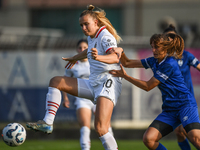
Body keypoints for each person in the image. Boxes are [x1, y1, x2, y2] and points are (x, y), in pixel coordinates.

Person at [27, 4, 122, 150]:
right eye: (81, 25)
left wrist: (99, 58)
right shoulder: (91, 36)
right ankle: (47, 123)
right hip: (93, 83)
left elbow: (115, 58)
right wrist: (74, 58)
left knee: (101, 129)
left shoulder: (105, 36)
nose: (83, 28)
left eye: (86, 24)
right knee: (56, 81)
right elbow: (89, 52)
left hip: (108, 83)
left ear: (96, 22)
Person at [110, 33, 200, 150]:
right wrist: (121, 51)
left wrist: (125, 76)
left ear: (165, 48)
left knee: (195, 137)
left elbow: (148, 86)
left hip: (185, 105)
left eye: (156, 47)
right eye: (152, 46)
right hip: (170, 110)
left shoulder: (169, 64)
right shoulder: (154, 61)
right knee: (149, 139)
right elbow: (127, 63)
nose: (153, 50)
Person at [62, 39, 114, 150]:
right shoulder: (74, 64)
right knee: (85, 129)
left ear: (89, 48)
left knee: (106, 126)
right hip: (82, 98)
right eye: (80, 48)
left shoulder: (96, 60)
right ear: (77, 50)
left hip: (98, 96)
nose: (82, 49)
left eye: (85, 47)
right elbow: (65, 82)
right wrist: (65, 98)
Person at [163, 24, 200, 150]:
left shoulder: (186, 55)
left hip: (186, 100)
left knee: (188, 132)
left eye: (172, 37)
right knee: (180, 132)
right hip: (172, 99)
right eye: (167, 37)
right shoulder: (163, 58)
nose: (170, 39)